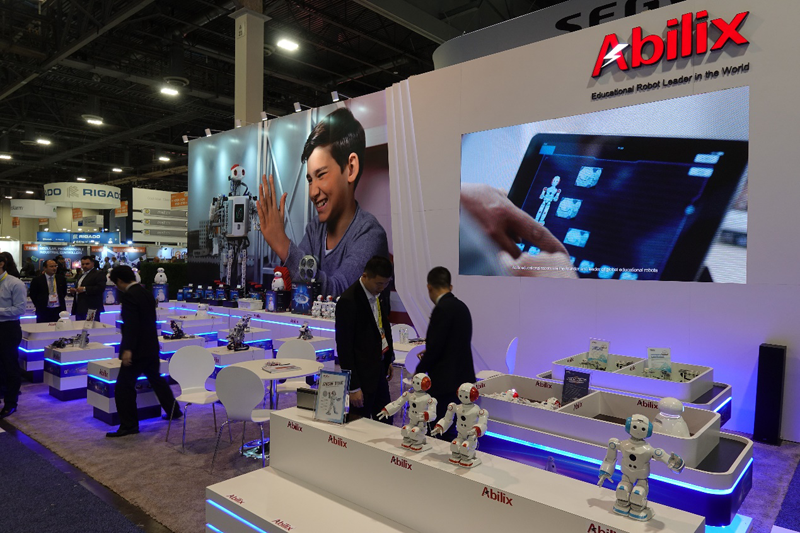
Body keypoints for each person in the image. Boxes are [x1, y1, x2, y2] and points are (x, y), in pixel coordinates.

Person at [257, 107, 389, 298]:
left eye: (321, 175)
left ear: (351, 168)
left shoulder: (371, 234)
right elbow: (297, 283)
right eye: (310, 180)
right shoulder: (316, 230)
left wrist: (282, 243)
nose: (313, 192)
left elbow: (338, 294)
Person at [106, 265, 179, 438]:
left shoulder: (129, 296)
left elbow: (132, 325)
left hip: (137, 350)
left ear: (119, 281)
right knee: (156, 379)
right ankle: (173, 410)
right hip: (151, 346)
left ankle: (129, 425)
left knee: (123, 387)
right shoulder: (145, 292)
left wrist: (127, 349)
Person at [415, 266, 477, 439]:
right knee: (459, 428)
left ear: (429, 287)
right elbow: (456, 342)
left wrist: (419, 370)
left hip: (445, 382)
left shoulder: (441, 309)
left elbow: (435, 347)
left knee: (439, 429)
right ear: (450, 286)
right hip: (463, 378)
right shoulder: (462, 306)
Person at [335, 256, 395, 422]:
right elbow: (344, 347)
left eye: (386, 283)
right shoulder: (349, 301)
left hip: (379, 370)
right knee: (360, 425)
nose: (382, 288)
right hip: (361, 376)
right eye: (379, 283)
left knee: (385, 421)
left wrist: (387, 358)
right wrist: (353, 387)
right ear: (365, 276)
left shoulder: (379, 294)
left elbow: (382, 328)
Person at [0, 252, 26, 419]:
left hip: (8, 329)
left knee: (10, 366)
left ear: (1, 264)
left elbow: (20, 309)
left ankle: (10, 403)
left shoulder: (15, 283)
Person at [28, 259, 67, 323]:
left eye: (55, 266)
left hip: (58, 309)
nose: (54, 268)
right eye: (51, 266)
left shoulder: (61, 279)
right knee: (43, 327)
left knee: (59, 327)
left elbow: (63, 292)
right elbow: (33, 294)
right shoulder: (37, 280)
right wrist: (39, 305)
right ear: (45, 268)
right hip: (44, 310)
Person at [69, 255, 106, 320]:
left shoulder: (98, 273)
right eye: (83, 264)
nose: (84, 266)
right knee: (79, 325)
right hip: (79, 307)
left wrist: (85, 289)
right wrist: (74, 290)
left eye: (87, 264)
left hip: (91, 307)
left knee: (92, 326)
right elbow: (79, 288)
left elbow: (100, 288)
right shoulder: (81, 275)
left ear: (92, 264)